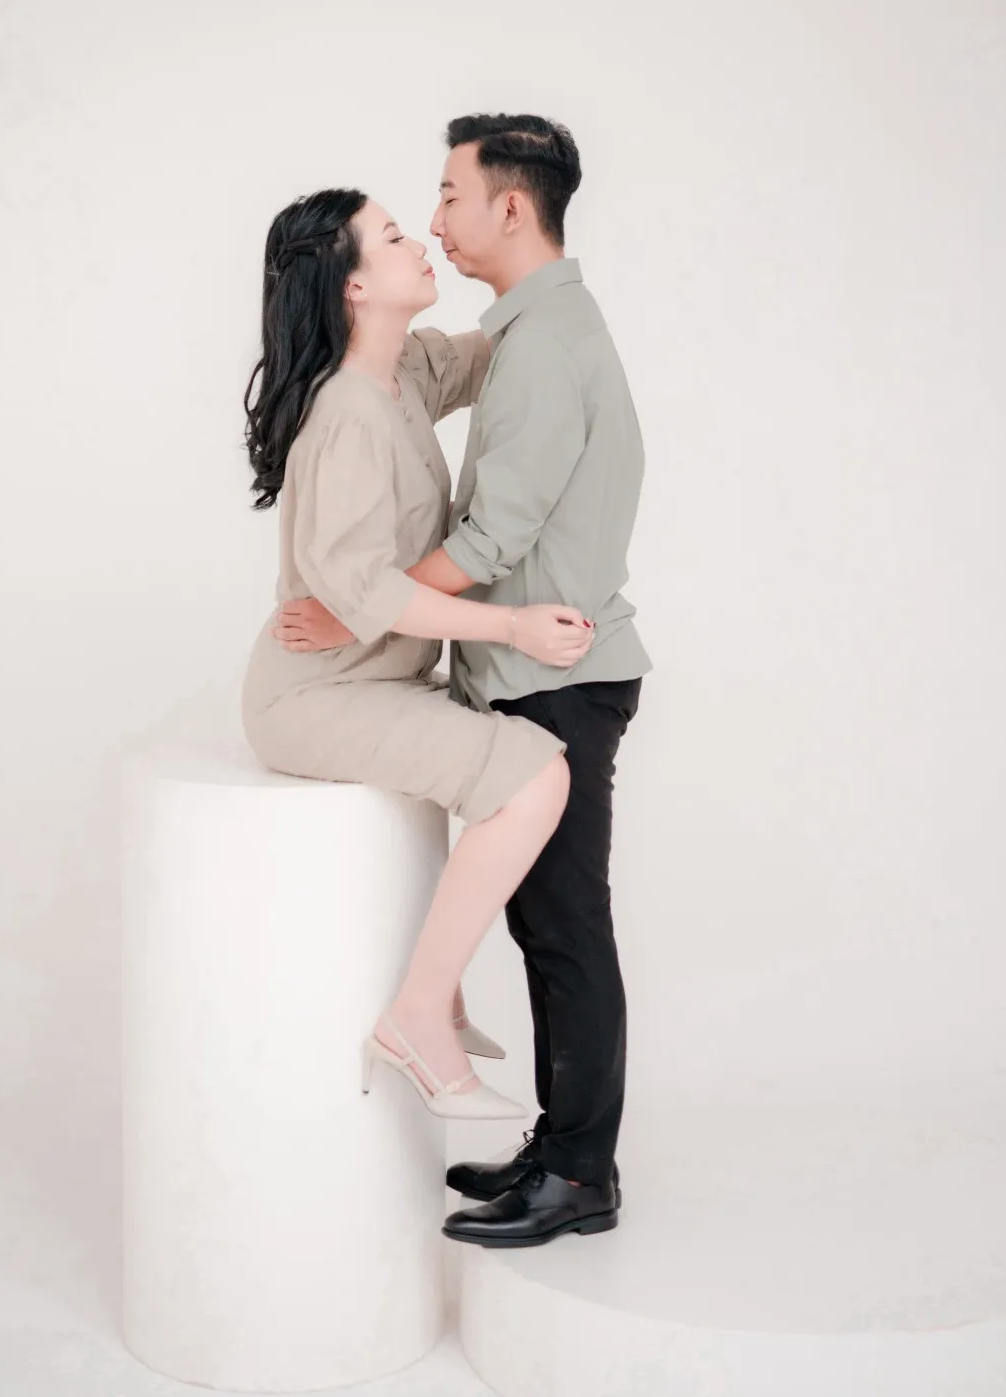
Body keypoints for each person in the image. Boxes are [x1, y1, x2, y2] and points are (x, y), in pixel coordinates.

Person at [276, 114, 652, 1249]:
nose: (433, 223)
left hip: (555, 669)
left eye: (445, 198)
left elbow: (491, 537)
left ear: (510, 207)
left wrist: (367, 601)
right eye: (408, 222)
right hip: (517, 663)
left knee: (567, 931)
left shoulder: (533, 344)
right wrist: (366, 600)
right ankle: (561, 1148)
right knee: (552, 928)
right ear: (352, 284)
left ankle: (578, 1172)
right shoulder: (522, 335)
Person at [241, 186, 595, 1124]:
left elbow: (499, 353)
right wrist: (514, 628)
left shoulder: (403, 370)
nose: (422, 241)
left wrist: (529, 272)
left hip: (374, 672)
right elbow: (362, 590)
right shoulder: (348, 415)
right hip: (314, 696)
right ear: (353, 284)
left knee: (505, 735)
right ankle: (417, 1018)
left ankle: (443, 998)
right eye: (395, 235)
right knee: (535, 779)